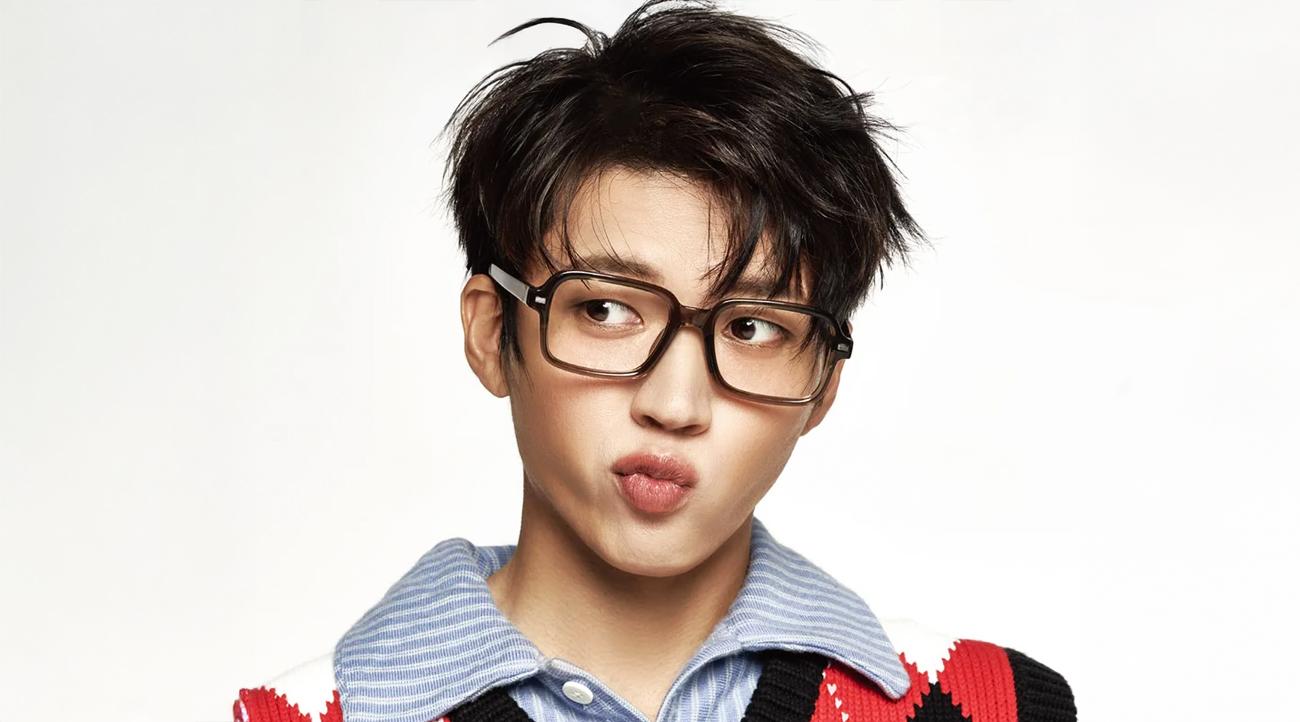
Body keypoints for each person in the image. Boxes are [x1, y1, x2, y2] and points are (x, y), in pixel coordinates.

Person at [232, 2, 1076, 721]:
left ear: (824, 383)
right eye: (606, 310)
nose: (675, 403)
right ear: (493, 333)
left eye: (753, 328)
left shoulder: (992, 706)